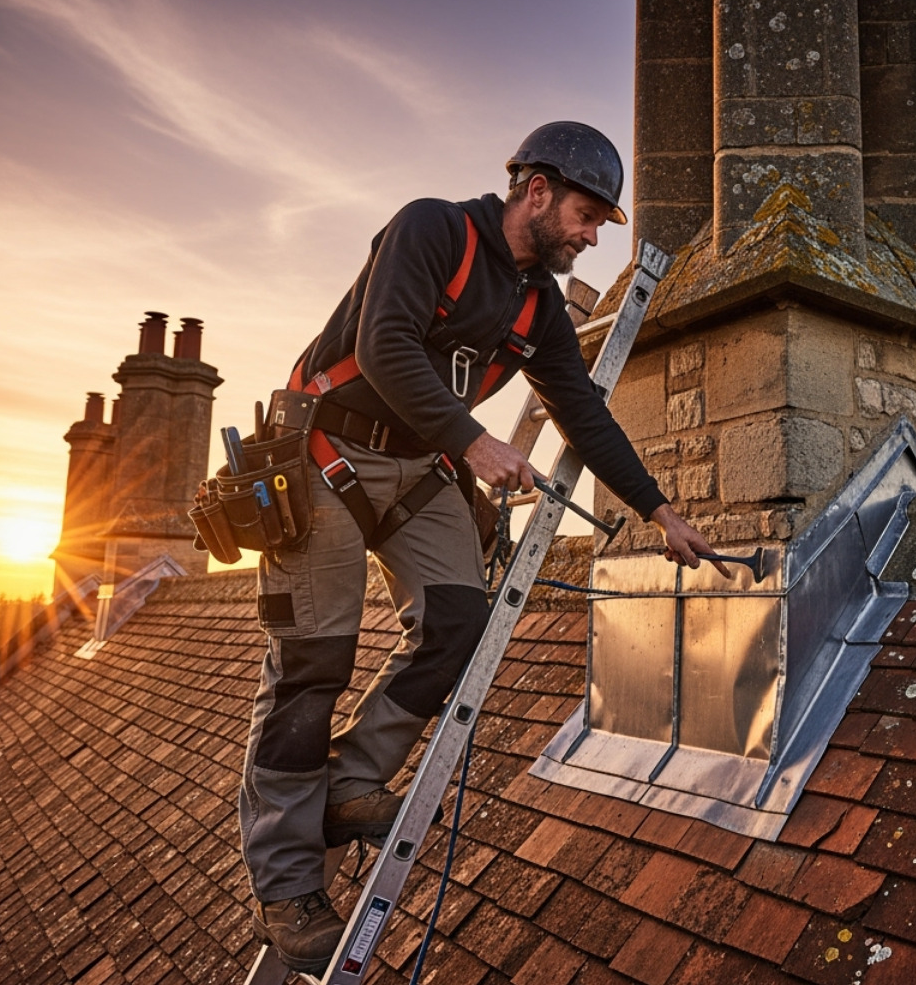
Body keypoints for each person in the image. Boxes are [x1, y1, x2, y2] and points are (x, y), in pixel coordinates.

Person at [239, 121, 717, 973]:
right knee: (314, 662)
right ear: (536, 190)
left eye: (603, 222)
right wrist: (474, 442)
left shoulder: (537, 303)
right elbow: (384, 343)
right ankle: (285, 887)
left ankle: (350, 785)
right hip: (328, 453)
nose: (592, 234)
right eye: (585, 212)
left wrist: (658, 510)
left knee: (460, 625)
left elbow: (581, 408)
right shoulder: (433, 229)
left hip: (418, 470)